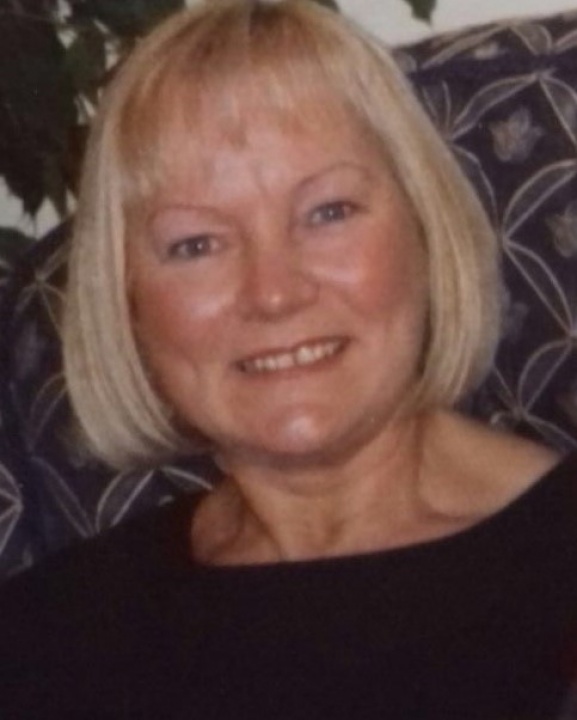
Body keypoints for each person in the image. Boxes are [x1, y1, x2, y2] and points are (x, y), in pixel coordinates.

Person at [1, 0, 577, 717]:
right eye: (196, 245)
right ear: (128, 304)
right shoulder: (50, 639)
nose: (272, 294)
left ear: (425, 233)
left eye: (327, 212)